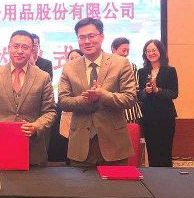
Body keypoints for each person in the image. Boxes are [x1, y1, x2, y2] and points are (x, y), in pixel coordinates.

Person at [58, 18, 137, 166]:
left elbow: (130, 98)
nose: (87, 41)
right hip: (80, 144)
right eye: (82, 37)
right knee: (80, 182)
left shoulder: (120, 63)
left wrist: (102, 95)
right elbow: (62, 101)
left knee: (116, 182)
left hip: (114, 143)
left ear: (101, 36)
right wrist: (85, 99)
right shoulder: (69, 67)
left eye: (91, 36)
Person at [0, 30, 56, 166]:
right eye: (16, 46)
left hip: (32, 150)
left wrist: (36, 126)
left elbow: (50, 112)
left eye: (25, 47)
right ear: (9, 48)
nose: (20, 51)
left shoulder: (43, 77)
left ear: (32, 50)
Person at [137, 39, 178, 167]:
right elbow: (139, 95)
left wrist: (157, 90)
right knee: (152, 149)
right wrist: (146, 91)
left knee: (165, 149)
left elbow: (174, 93)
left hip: (166, 116)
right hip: (148, 116)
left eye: (154, 50)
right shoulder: (141, 72)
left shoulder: (170, 70)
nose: (151, 53)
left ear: (160, 51)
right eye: (148, 51)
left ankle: (167, 176)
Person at [111, 37, 143, 124]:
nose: (126, 54)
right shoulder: (106, 67)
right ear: (114, 50)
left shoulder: (132, 66)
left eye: (127, 51)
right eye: (123, 50)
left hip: (130, 112)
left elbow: (135, 88)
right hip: (112, 111)